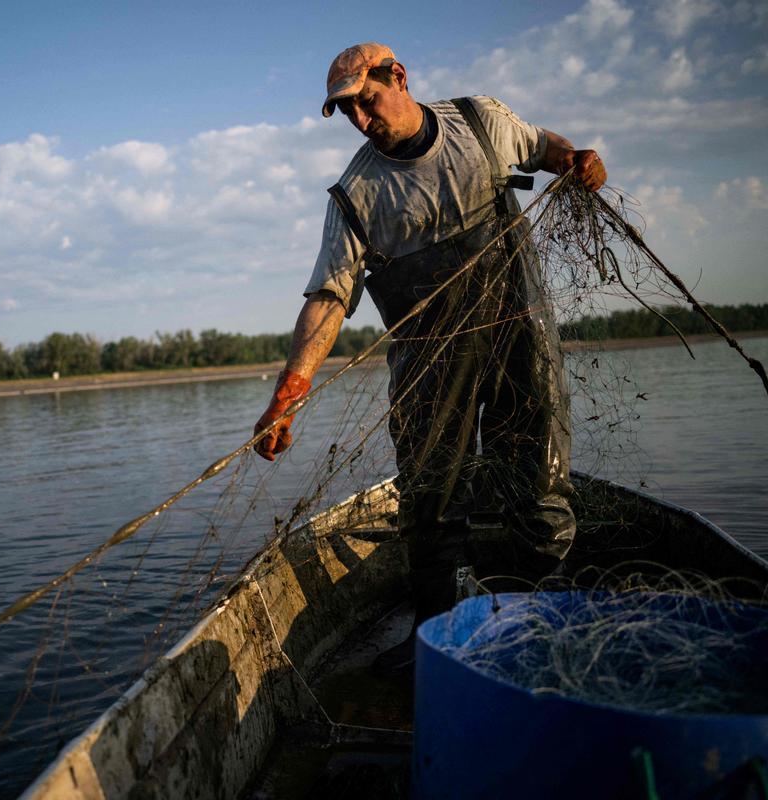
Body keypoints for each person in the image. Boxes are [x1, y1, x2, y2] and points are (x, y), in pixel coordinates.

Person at [252, 42, 607, 628]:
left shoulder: (480, 124)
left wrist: (578, 159)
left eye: (368, 102)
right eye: (349, 114)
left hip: (519, 337)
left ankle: (541, 620)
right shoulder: (355, 197)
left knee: (538, 483)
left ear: (399, 77)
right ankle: (439, 635)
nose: (362, 123)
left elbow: (547, 148)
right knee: (431, 501)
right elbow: (327, 299)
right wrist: (286, 397)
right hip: (430, 365)